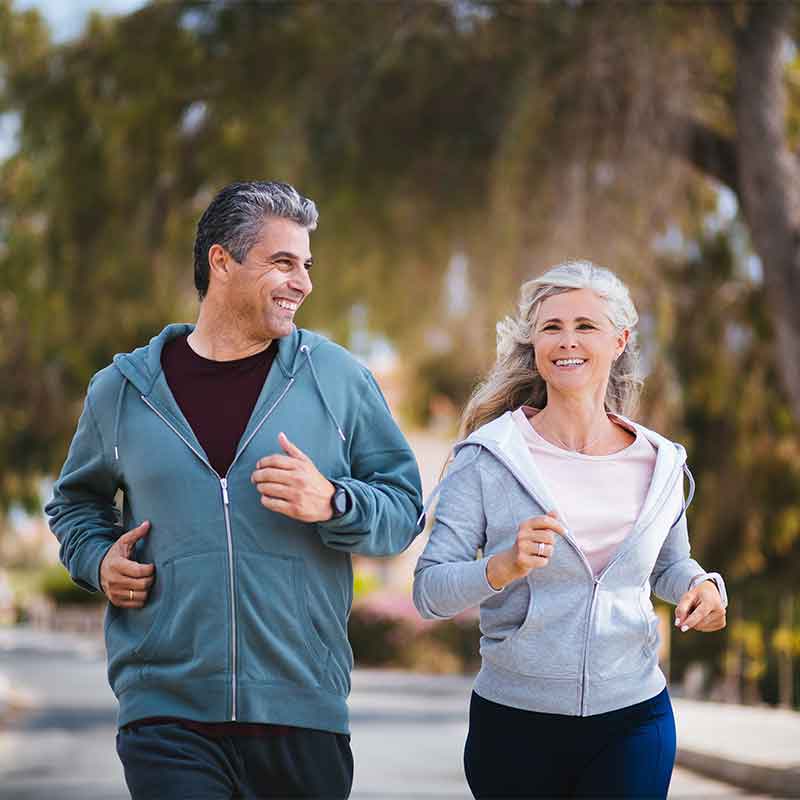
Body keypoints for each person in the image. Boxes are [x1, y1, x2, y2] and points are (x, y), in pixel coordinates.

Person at [46, 181, 423, 800]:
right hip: (166, 709)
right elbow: (76, 504)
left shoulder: (337, 378)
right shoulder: (122, 390)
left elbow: (405, 509)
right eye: (282, 262)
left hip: (303, 710)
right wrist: (97, 559)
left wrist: (334, 502)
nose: (301, 281)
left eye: (306, 265)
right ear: (222, 261)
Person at [413, 260, 727, 799]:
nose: (567, 341)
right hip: (516, 723)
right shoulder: (489, 457)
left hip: (634, 715)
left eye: (585, 326)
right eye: (551, 327)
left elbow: (670, 566)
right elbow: (428, 591)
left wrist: (702, 587)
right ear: (533, 342)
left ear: (620, 339)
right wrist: (501, 567)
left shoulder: (661, 463)